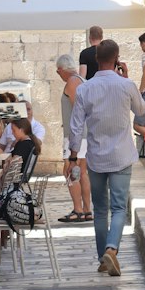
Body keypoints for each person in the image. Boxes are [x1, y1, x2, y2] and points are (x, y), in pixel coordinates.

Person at [67, 38, 145, 277]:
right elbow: (141, 110)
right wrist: (126, 77)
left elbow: (75, 126)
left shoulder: (85, 88)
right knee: (119, 207)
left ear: (95, 59)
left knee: (100, 209)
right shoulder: (126, 84)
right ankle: (111, 249)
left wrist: (73, 155)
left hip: (96, 156)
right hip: (122, 154)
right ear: (117, 58)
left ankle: (103, 256)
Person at [56, 55, 92, 223]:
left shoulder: (71, 82)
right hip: (84, 134)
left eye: (58, 72)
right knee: (83, 173)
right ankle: (86, 210)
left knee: (71, 172)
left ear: (62, 70)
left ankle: (78, 210)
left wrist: (72, 144)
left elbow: (77, 111)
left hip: (75, 135)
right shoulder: (82, 80)